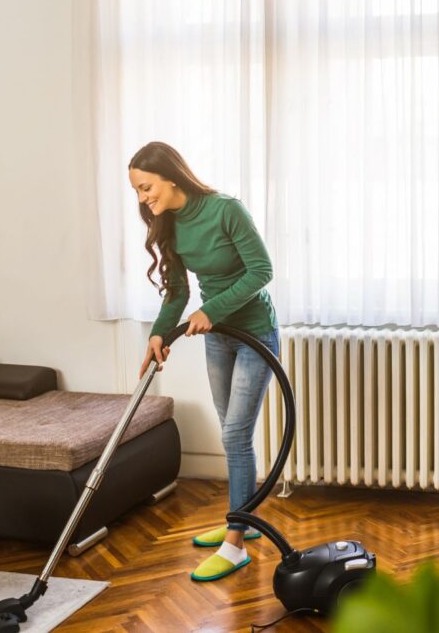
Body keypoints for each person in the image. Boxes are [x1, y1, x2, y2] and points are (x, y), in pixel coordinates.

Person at [129, 141, 279, 581]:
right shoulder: (168, 224)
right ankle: (242, 521)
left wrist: (211, 311)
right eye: (137, 191)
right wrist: (160, 331)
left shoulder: (225, 210)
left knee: (234, 434)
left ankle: (236, 544)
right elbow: (177, 291)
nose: (143, 198)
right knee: (233, 434)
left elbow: (261, 270)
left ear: (171, 176)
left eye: (146, 187)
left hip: (254, 333)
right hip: (218, 339)